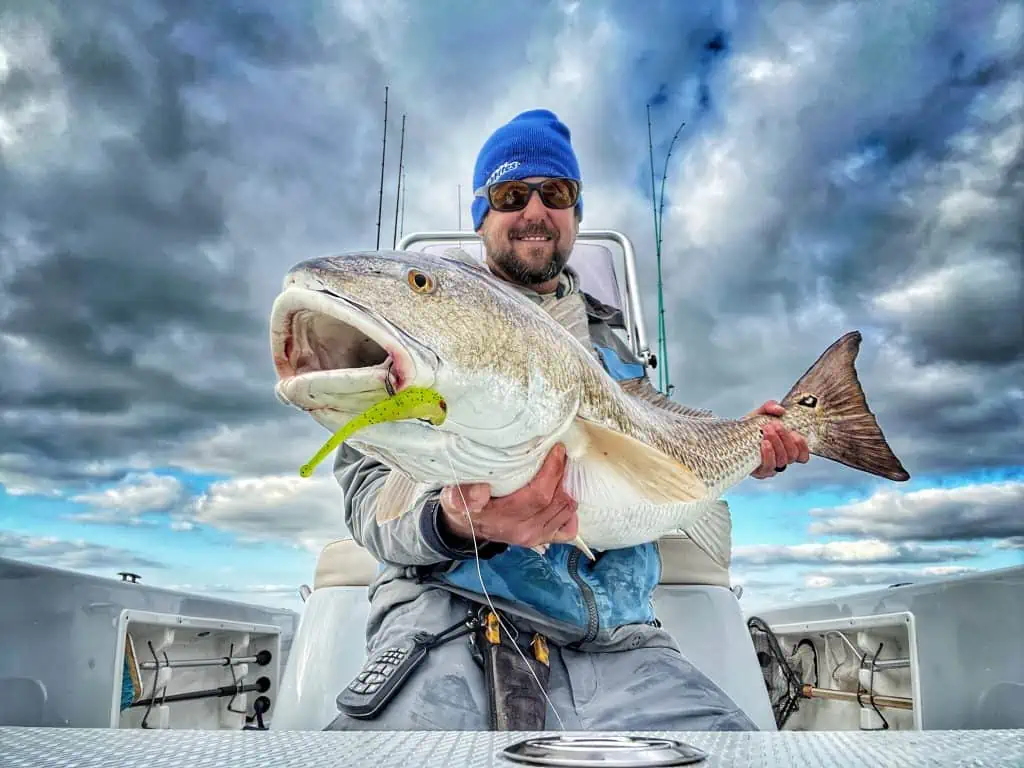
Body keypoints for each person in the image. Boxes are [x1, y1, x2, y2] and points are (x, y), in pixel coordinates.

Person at [326, 109, 809, 732]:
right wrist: (451, 521)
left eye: (555, 193)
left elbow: (662, 458)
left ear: (576, 213)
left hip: (620, 638)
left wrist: (746, 445)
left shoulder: (622, 358)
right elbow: (370, 499)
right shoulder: (408, 338)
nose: (534, 210)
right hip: (451, 616)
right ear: (483, 217)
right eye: (509, 193)